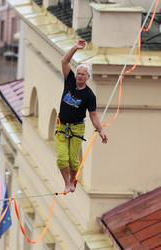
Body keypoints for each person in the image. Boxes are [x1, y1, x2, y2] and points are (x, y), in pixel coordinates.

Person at [56, 39, 108, 193]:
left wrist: (101, 130)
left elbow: (93, 115)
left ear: (87, 77)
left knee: (73, 160)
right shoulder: (70, 81)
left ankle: (73, 180)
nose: (79, 76)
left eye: (82, 74)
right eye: (78, 73)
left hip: (77, 128)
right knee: (61, 159)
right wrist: (75, 48)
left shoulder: (89, 95)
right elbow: (64, 62)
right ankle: (67, 183)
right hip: (62, 126)